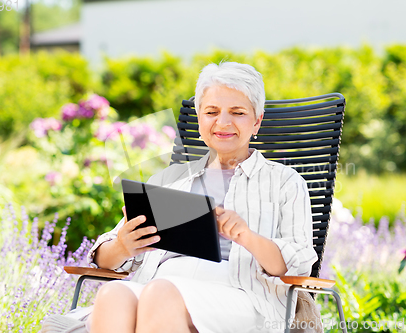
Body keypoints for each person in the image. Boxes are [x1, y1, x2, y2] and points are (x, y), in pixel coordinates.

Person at [87, 62, 320, 333]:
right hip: (159, 283)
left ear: (257, 121)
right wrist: (123, 246)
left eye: (237, 112)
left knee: (161, 294)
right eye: (212, 112)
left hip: (243, 295)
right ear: (199, 119)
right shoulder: (168, 179)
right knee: (113, 296)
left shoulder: (284, 182)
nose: (222, 122)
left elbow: (298, 263)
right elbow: (104, 258)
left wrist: (246, 236)